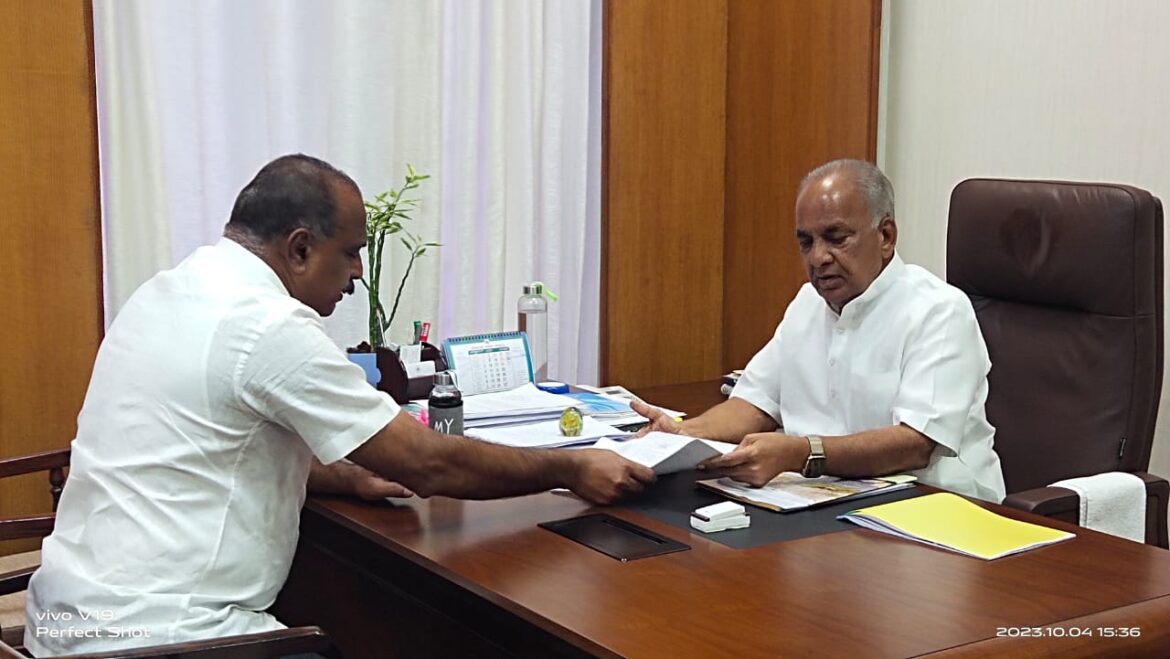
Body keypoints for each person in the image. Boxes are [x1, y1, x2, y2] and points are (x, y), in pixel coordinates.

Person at [25, 154, 655, 657]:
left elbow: (209, 447)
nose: (357, 274)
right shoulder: (266, 327)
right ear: (301, 248)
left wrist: (341, 475)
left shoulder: (169, 291)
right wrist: (572, 466)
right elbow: (429, 464)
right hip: (165, 638)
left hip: (66, 615)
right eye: (351, 251)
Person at [633, 159, 1005, 502]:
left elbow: (915, 444)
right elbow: (755, 403)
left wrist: (801, 453)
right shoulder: (807, 304)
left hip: (934, 507)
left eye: (836, 238)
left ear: (886, 236)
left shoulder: (938, 311)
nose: (818, 257)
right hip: (822, 499)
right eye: (806, 242)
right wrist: (684, 434)